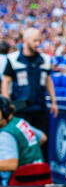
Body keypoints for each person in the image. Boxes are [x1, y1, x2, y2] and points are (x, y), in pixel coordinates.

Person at [1, 28, 58, 162]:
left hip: (40, 109)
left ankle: (41, 175)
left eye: (39, 40)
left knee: (43, 143)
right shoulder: (13, 58)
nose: (38, 43)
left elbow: (48, 80)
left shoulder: (45, 59)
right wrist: (6, 104)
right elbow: (6, 81)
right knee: (20, 143)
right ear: (25, 41)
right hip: (20, 110)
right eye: (35, 40)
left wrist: (54, 101)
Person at [0, 95, 47, 186]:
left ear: (4, 112)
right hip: (38, 177)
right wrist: (25, 152)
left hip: (19, 182)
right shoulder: (20, 122)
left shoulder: (5, 135)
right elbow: (43, 138)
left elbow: (11, 164)